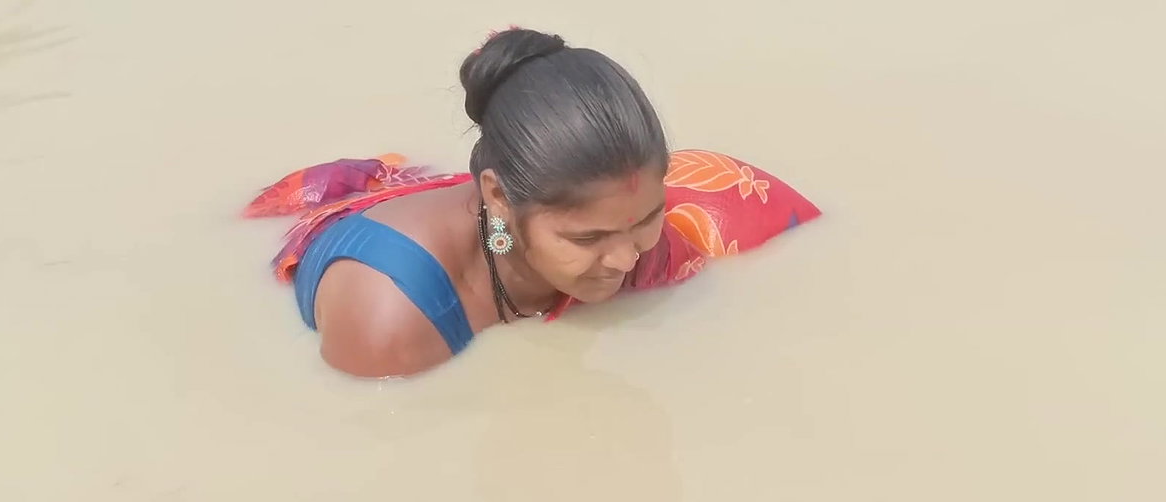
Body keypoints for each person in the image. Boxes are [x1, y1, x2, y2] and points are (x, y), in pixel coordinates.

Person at [244, 27, 819, 378]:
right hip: (377, 252)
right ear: (497, 197)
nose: (626, 258)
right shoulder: (391, 323)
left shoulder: (666, 213)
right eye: (587, 239)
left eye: (647, 218)